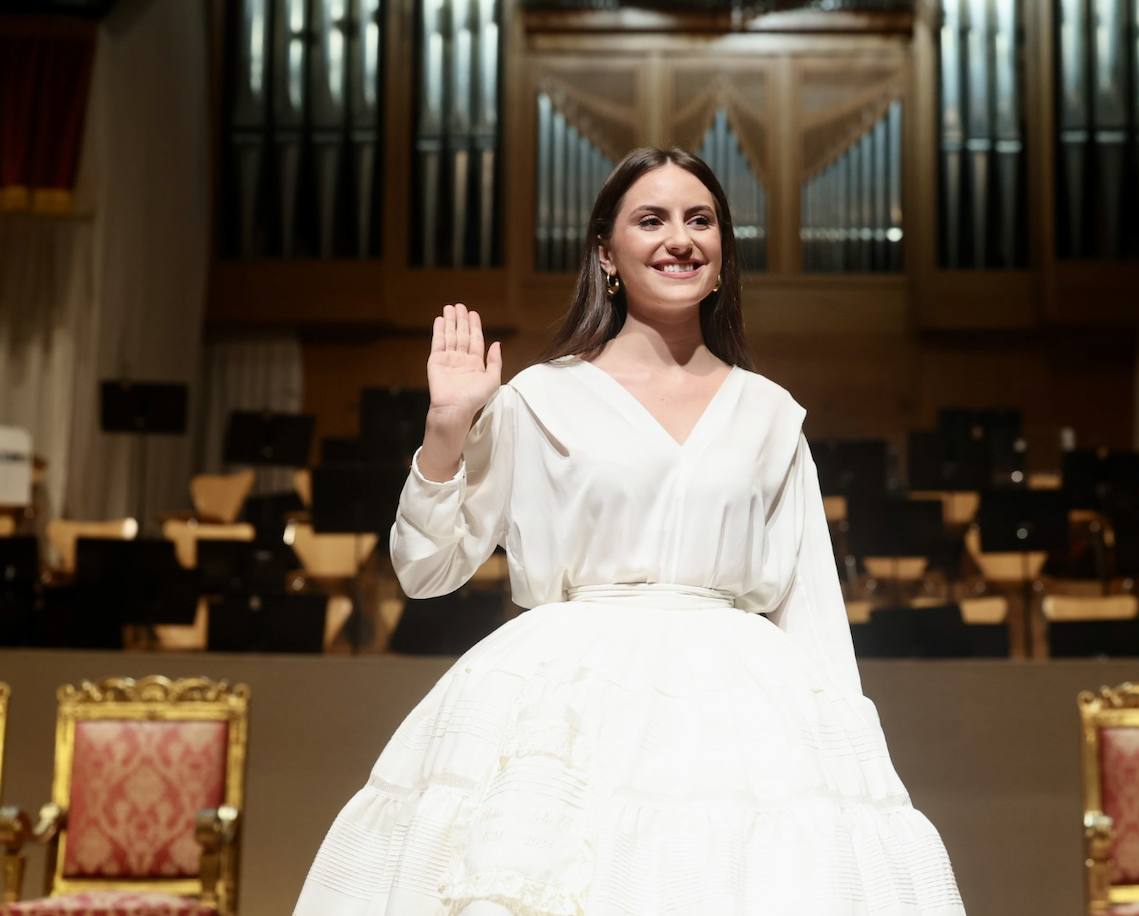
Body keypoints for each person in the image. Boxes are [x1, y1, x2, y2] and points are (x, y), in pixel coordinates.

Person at [293, 148, 964, 915]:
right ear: (606, 253)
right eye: (652, 219)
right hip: (567, 700)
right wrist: (448, 428)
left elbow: (809, 610)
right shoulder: (539, 399)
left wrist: (841, 757)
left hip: (738, 713)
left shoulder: (770, 413)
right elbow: (427, 569)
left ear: (722, 254)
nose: (680, 238)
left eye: (700, 220)